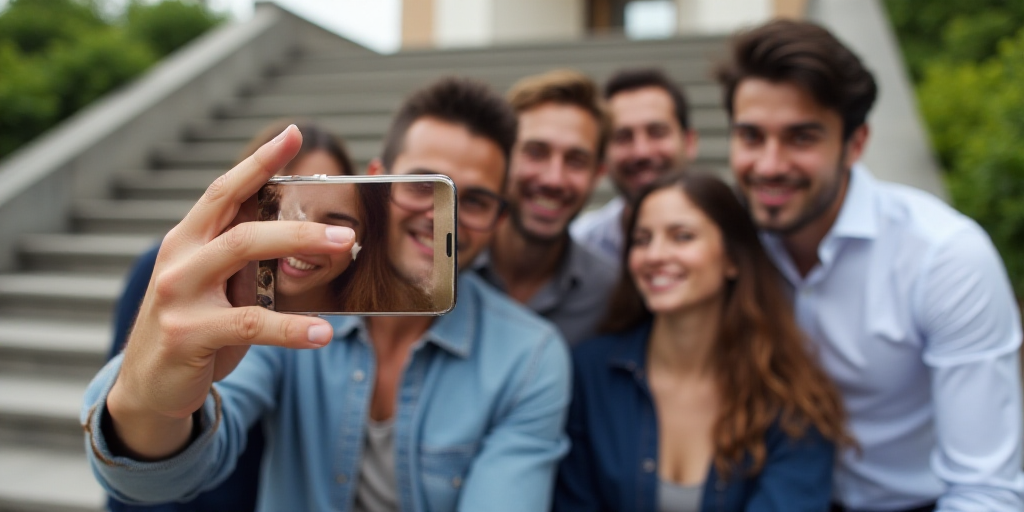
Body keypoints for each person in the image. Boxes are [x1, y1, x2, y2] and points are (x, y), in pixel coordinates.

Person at [85, 78, 571, 512]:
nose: (441, 215)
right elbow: (162, 477)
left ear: (500, 219)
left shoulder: (530, 357)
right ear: (376, 179)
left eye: (478, 201)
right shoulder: (293, 305)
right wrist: (149, 405)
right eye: (423, 186)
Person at [717, 20, 1024, 511]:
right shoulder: (723, 238)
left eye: (801, 138)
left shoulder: (943, 257)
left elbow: (984, 490)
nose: (769, 165)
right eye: (751, 136)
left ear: (855, 144)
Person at [555, 172, 850, 511]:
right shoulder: (589, 373)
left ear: (733, 259)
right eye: (642, 239)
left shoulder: (790, 395)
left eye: (682, 237)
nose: (655, 255)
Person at [104, 119, 356, 512]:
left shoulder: (321, 318)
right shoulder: (168, 272)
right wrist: (148, 410)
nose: (302, 231)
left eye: (329, 216)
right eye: (285, 200)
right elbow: (129, 412)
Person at [473, 69, 619, 345]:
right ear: (502, 157)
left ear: (597, 174)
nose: (554, 179)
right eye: (536, 152)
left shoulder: (610, 296)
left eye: (576, 160)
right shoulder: (449, 269)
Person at [570, 68, 699, 264]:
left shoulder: (735, 235)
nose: (641, 152)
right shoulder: (580, 244)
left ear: (689, 142)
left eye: (657, 132)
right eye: (623, 137)